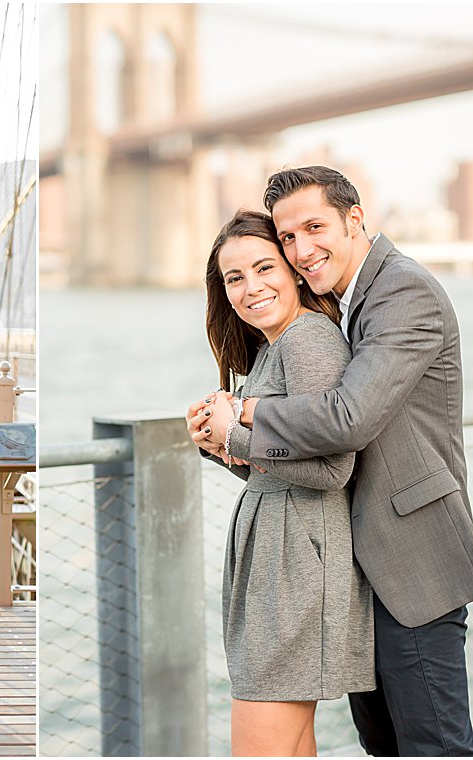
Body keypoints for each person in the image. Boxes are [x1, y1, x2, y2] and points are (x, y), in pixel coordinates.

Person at [189, 167, 473, 756]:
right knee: (383, 744)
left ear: (355, 219)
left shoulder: (402, 292)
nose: (303, 250)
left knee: (434, 747)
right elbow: (315, 448)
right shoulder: (341, 302)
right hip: (355, 562)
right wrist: (224, 441)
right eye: (288, 238)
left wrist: (245, 415)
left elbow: (347, 419)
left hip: (412, 557)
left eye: (315, 227)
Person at [192, 209, 373, 756]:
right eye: (234, 278)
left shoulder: (307, 341)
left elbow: (333, 469)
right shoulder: (272, 347)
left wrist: (237, 437)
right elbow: (280, 462)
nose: (251, 288)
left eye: (264, 267)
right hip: (281, 561)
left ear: (293, 270)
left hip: (298, 568)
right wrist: (219, 445)